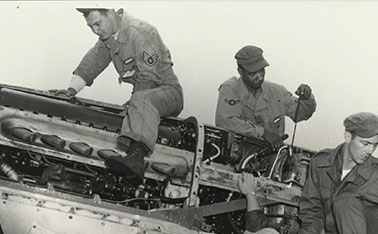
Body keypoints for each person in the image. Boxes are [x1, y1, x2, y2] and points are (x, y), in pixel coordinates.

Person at [50, 8, 184, 180]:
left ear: (112, 14)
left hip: (168, 92)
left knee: (140, 100)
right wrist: (70, 91)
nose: (95, 31)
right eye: (91, 27)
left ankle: (136, 158)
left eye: (98, 24)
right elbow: (91, 63)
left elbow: (149, 78)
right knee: (128, 110)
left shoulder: (142, 32)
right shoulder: (109, 39)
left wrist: (132, 110)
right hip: (144, 96)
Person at [215, 45, 316, 147]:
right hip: (239, 158)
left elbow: (302, 113)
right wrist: (263, 133)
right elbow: (225, 121)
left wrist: (307, 98)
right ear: (240, 71)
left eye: (262, 71)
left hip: (272, 158)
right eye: (253, 73)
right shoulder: (231, 89)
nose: (259, 77)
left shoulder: (277, 92)